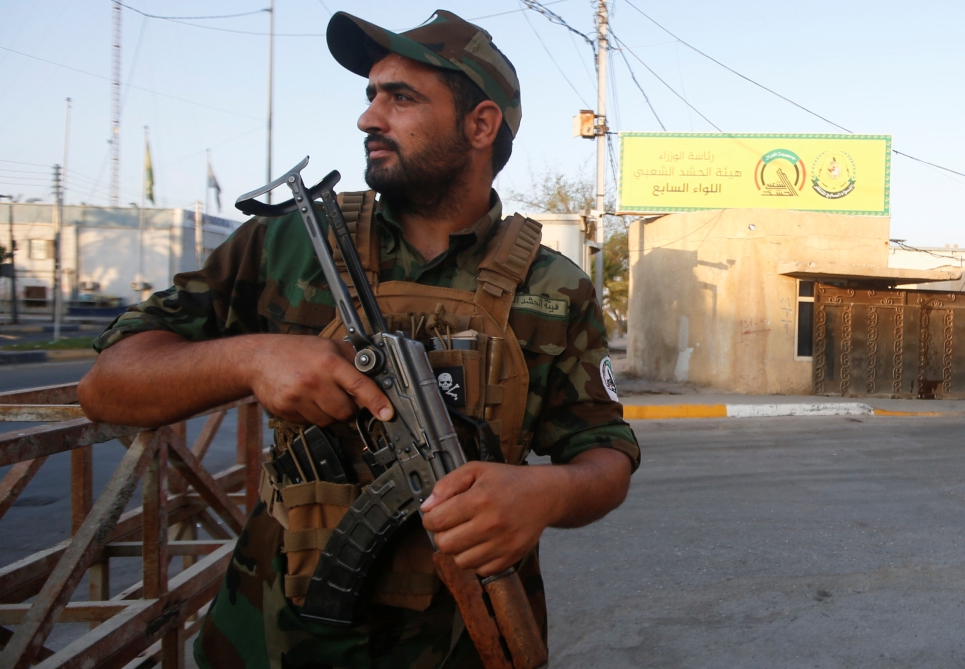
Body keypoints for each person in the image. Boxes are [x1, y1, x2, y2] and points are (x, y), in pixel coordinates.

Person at [79, 9, 640, 669]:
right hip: (270, 641)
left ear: (481, 124)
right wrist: (252, 358)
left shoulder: (554, 287)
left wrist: (546, 494)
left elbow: (604, 454)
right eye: (370, 94)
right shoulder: (287, 245)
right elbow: (107, 384)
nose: (369, 118)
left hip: (464, 641)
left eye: (400, 97)